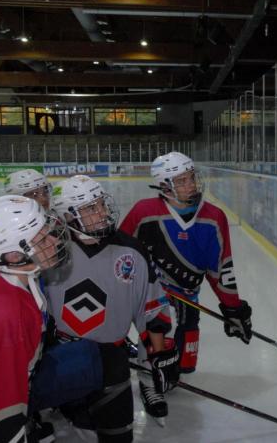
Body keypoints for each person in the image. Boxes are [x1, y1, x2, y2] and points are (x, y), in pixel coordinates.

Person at [42, 175, 176, 442]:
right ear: (67, 216)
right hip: (62, 358)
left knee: (118, 435)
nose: (102, 213)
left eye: (101, 203)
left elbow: (152, 307)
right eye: (91, 208)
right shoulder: (50, 252)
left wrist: (160, 354)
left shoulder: (131, 250)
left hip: (111, 363)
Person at [119, 152, 253, 414]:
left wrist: (233, 308)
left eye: (191, 178)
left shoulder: (214, 217)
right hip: (152, 292)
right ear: (164, 186)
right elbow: (121, 253)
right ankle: (149, 379)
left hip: (188, 292)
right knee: (158, 329)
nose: (191, 184)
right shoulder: (144, 212)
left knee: (184, 363)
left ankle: (167, 370)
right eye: (181, 181)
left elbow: (220, 267)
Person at [0, 195, 68, 443]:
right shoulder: (5, 315)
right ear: (13, 256)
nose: (53, 240)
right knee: (92, 361)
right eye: (42, 238)